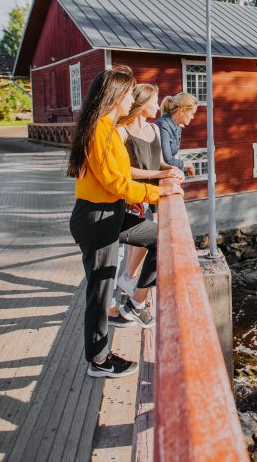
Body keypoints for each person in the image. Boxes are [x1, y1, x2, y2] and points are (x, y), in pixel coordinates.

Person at [66, 66, 182, 378]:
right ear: (116, 96)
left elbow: (115, 180)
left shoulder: (106, 126)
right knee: (99, 292)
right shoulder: (100, 130)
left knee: (160, 238)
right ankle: (99, 361)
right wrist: (158, 192)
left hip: (109, 212)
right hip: (96, 218)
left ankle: (133, 302)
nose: (132, 98)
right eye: (129, 93)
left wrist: (135, 196)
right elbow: (117, 181)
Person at [112, 83, 183, 323]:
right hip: (131, 195)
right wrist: (161, 176)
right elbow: (123, 170)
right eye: (154, 101)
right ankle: (131, 290)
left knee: (148, 241)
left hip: (151, 193)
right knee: (152, 240)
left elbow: (161, 162)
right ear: (142, 104)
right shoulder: (121, 131)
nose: (159, 105)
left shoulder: (153, 129)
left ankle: (131, 286)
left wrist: (172, 170)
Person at [155, 92, 199, 177]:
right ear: (182, 111)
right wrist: (187, 164)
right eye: (192, 113)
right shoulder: (163, 125)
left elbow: (171, 158)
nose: (192, 117)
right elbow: (167, 161)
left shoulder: (177, 127)